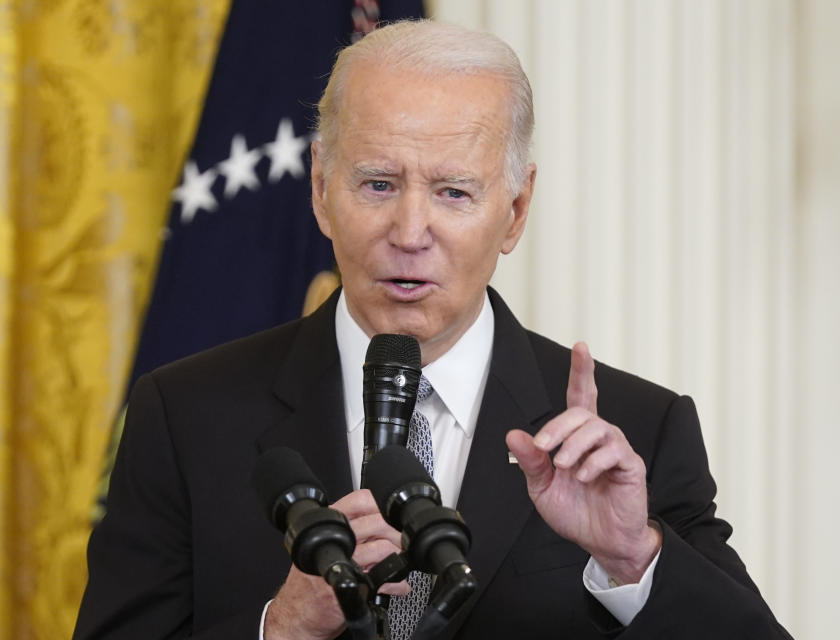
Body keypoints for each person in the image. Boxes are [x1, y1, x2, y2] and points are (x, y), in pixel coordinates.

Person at [74, 19, 791, 640]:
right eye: (378, 184)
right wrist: (282, 627)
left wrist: (636, 561)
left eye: (453, 192)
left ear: (514, 210)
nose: (410, 232)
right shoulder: (187, 415)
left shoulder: (636, 432)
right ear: (322, 190)